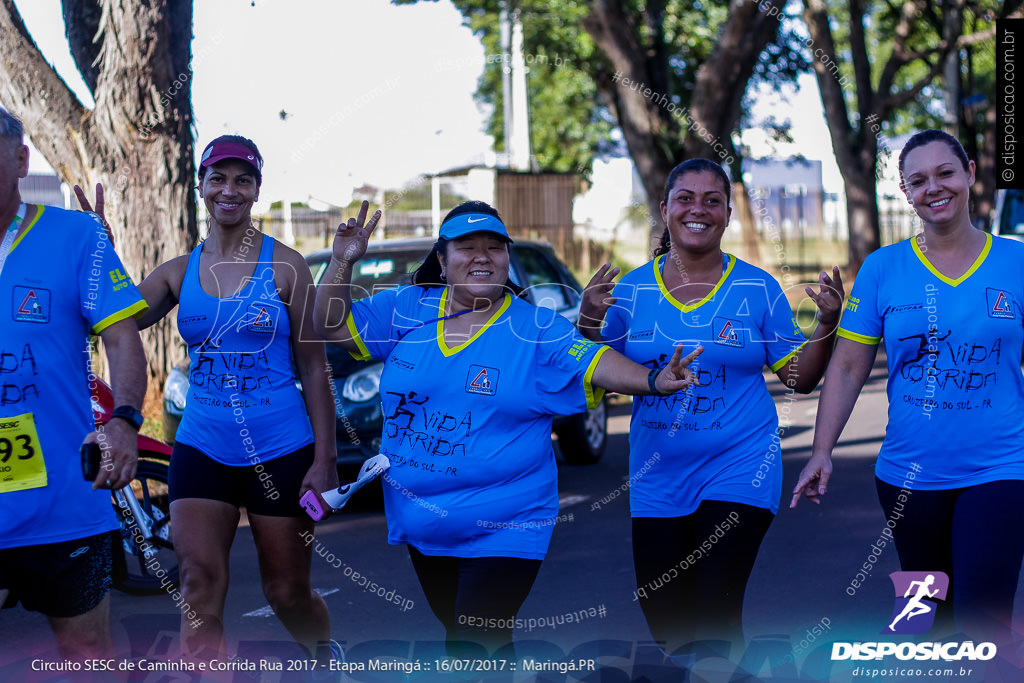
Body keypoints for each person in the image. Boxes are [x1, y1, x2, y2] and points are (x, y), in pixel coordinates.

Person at [313, 200, 702, 660]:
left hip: (508, 520)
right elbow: (330, 322)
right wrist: (341, 262)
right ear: (442, 259)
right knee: (471, 640)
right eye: (467, 247)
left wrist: (653, 381)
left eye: (494, 248)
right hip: (425, 522)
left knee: (474, 643)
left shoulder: (535, 328)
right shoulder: (407, 307)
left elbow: (596, 363)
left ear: (507, 259)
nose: (482, 256)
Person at [80, 136, 341, 667]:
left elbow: (314, 366)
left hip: (281, 447)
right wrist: (99, 252)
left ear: (256, 190)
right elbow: (117, 320)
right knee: (197, 587)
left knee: (286, 593)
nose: (229, 189)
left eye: (242, 179)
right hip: (202, 447)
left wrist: (325, 458)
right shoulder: (178, 271)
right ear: (201, 186)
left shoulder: (286, 267)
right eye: (217, 178)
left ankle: (323, 656)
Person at [577, 158, 844, 668]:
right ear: (665, 210)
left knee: (715, 614)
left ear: (727, 215)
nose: (697, 209)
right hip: (657, 476)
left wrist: (826, 324)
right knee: (669, 627)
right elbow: (592, 373)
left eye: (712, 200)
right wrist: (589, 319)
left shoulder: (756, 288)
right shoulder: (630, 291)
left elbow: (799, 378)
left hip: (740, 468)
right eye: (685, 198)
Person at [792, 129, 1024, 662]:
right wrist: (821, 450)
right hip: (907, 479)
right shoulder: (882, 268)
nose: (933, 188)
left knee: (982, 620)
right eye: (917, 180)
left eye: (945, 172)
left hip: (1001, 469)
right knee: (922, 624)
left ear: (970, 173)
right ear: (905, 191)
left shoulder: (1014, 263)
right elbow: (849, 366)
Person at [0, 107, 148, 661]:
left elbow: (123, 339)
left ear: (20, 161)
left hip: (61, 497)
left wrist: (125, 420)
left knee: (86, 650)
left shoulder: (76, 235)